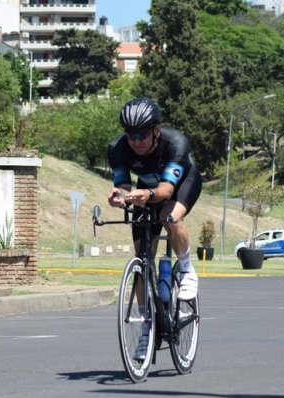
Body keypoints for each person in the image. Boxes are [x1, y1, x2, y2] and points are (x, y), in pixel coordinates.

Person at [106, 97, 203, 359]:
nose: (136, 141)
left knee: (169, 217)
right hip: (146, 192)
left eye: (142, 134)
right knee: (140, 261)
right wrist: (120, 196)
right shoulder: (117, 149)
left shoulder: (175, 144)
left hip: (181, 185)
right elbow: (124, 186)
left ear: (155, 131)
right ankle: (147, 330)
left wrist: (144, 195)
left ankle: (186, 268)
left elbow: (166, 191)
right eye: (130, 135)